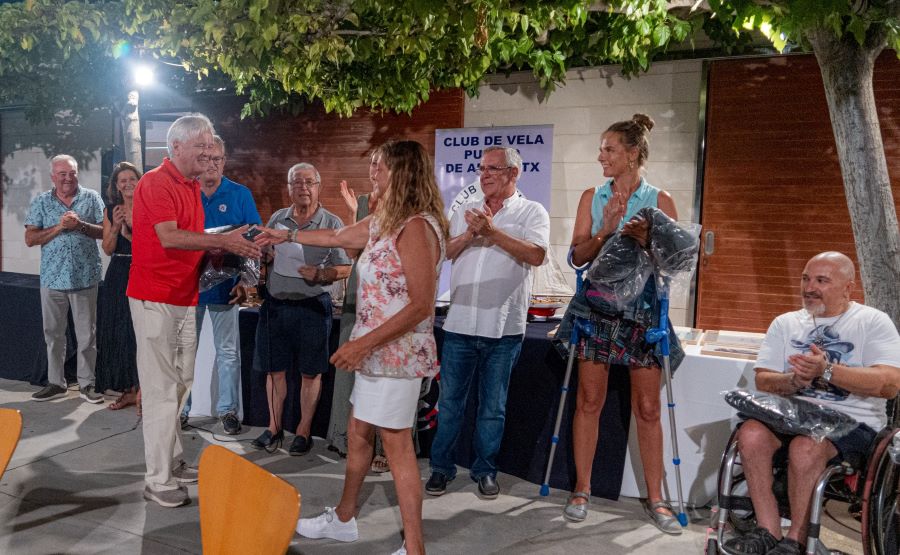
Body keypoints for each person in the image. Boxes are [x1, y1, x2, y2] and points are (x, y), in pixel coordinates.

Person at [259, 140, 448, 555]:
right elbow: (338, 235)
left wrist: (362, 344)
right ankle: (344, 519)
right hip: (375, 352)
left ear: (401, 172)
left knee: (396, 447)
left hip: (395, 357)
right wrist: (287, 233)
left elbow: (420, 304)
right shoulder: (385, 220)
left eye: (379, 166)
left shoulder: (416, 226)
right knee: (359, 432)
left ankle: (414, 548)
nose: (373, 173)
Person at [724, 251, 900, 555]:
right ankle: (768, 530)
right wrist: (795, 381)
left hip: (852, 422)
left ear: (848, 287)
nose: (809, 287)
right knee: (750, 434)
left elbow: (889, 384)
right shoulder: (785, 323)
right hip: (793, 416)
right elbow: (763, 379)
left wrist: (827, 371)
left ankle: (797, 539)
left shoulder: (872, 322)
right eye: (806, 278)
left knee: (805, 447)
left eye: (822, 280)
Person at [558, 114, 684, 533]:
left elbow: (677, 262)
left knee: (648, 407)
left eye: (609, 149)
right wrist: (607, 230)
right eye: (601, 149)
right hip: (597, 307)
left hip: (643, 310)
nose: (601, 157)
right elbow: (577, 257)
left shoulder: (659, 199)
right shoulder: (592, 197)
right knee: (588, 401)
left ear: (632, 154)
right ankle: (581, 488)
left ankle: (657, 497)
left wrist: (648, 239)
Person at [127, 114, 261, 508]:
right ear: (177, 147)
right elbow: (169, 237)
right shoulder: (155, 182)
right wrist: (229, 244)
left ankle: (173, 460)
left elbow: (196, 244)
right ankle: (157, 479)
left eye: (211, 147)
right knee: (160, 392)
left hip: (184, 298)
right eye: (201, 146)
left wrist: (232, 253)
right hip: (155, 299)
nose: (208, 152)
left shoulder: (189, 185)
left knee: (181, 383)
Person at [425, 146, 550, 499]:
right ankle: (441, 468)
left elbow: (537, 255)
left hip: (503, 328)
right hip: (460, 323)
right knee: (449, 404)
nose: (484, 175)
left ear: (514, 174)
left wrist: (493, 233)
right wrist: (470, 234)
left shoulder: (531, 211)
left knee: (492, 408)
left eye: (493, 169)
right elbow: (445, 253)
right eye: (481, 169)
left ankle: (485, 470)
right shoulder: (466, 209)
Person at [250, 163, 352, 455]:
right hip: (275, 306)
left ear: (318, 187)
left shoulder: (331, 223)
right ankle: (273, 428)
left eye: (309, 182)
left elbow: (345, 267)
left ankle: (304, 431)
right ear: (289, 187)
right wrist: (266, 254)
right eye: (296, 182)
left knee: (310, 373)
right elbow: (267, 255)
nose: (302, 188)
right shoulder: (278, 219)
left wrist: (321, 275)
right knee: (274, 370)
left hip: (312, 308)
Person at [181, 135, 261, 435]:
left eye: (217, 159)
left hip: (225, 289)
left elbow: (253, 238)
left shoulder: (240, 194)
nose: (212, 164)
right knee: (186, 351)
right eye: (206, 159)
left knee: (228, 352)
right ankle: (182, 410)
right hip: (187, 289)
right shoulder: (186, 193)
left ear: (224, 161)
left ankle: (228, 411)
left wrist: (246, 280)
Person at [25, 154, 105, 403]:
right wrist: (60, 227)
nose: (68, 178)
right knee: (53, 334)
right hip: (52, 278)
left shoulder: (91, 197)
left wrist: (79, 225)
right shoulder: (41, 202)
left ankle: (87, 384)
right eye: (62, 174)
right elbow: (30, 239)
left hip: (85, 277)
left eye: (72, 173)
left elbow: (106, 232)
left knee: (87, 336)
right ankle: (56, 383)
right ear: (53, 177)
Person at [328, 159, 390, 473]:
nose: (373, 170)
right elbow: (352, 253)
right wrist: (354, 214)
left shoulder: (402, 205)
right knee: (349, 369)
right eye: (372, 165)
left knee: (380, 371)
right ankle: (345, 437)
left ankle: (382, 446)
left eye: (380, 165)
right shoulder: (364, 201)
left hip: (385, 297)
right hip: (358, 293)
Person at [95, 161, 141, 411]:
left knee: (137, 331)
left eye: (131, 178)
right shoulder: (111, 209)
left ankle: (141, 388)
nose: (127, 183)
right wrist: (114, 227)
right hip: (118, 272)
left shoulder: (148, 205)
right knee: (118, 330)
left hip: (141, 270)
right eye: (122, 180)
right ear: (116, 185)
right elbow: (108, 248)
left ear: (139, 180)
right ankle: (126, 389)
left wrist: (129, 233)